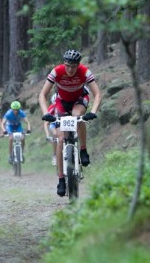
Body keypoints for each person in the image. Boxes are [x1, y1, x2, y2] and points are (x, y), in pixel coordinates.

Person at [38, 49, 102, 197]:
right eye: (68, 65)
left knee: (77, 115)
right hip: (62, 102)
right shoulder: (57, 71)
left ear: (78, 65)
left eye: (74, 66)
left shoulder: (84, 71)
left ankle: (83, 149)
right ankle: (61, 178)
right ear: (63, 64)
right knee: (60, 139)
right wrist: (46, 113)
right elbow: (42, 94)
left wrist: (93, 111)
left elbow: (97, 94)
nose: (70, 69)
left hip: (80, 99)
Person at [44, 93, 58, 166]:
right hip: (54, 124)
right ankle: (55, 155)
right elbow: (46, 123)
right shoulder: (52, 108)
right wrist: (47, 135)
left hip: (63, 123)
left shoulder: (66, 106)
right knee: (55, 135)